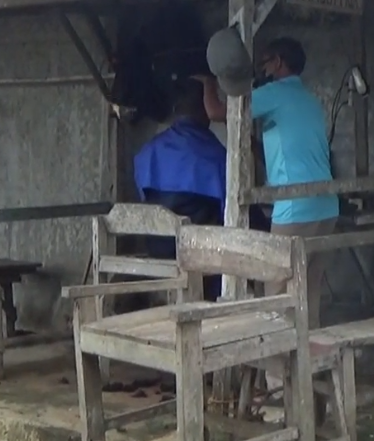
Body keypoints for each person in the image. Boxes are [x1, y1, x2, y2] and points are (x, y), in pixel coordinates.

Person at [201, 35, 339, 330]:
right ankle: (306, 367)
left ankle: (277, 375)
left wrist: (207, 82)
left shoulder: (274, 93)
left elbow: (216, 112)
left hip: (296, 207)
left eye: (262, 62)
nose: (257, 70)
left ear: (277, 63)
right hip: (326, 206)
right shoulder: (308, 99)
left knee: (276, 295)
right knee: (308, 292)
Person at [134, 77, 269, 301]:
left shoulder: (148, 150)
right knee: (258, 232)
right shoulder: (216, 155)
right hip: (199, 251)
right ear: (204, 111)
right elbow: (234, 207)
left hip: (159, 246)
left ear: (177, 110)